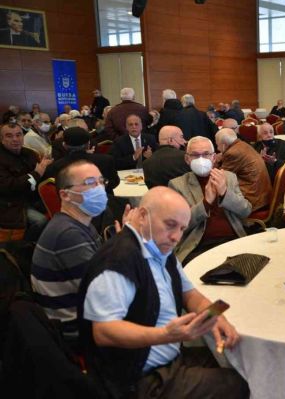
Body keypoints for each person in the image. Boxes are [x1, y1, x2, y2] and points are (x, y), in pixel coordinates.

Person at [77, 187, 250, 398]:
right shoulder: (119, 260)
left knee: (241, 364)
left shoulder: (159, 249)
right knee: (239, 384)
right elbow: (104, 331)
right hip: (138, 379)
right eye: (170, 225)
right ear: (143, 216)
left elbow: (190, 295)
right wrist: (164, 335)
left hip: (169, 357)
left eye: (182, 229)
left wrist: (215, 315)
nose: (176, 237)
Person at [31, 161, 109, 342]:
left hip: (87, 318)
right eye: (90, 183)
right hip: (77, 333)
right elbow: (105, 292)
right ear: (65, 195)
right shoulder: (68, 235)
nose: (99, 188)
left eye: (101, 181)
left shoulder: (79, 223)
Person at [168, 137, 252, 264]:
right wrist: (205, 203)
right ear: (187, 159)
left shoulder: (228, 177)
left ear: (214, 158)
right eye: (195, 155)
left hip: (232, 240)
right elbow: (180, 226)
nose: (201, 159)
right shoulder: (178, 185)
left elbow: (246, 211)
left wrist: (225, 193)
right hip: (199, 246)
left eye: (206, 154)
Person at [0, 123, 52, 239]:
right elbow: (9, 186)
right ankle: (25, 244)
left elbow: (41, 175)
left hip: (32, 197)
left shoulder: (30, 153)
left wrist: (48, 167)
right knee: (41, 221)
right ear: (2, 140)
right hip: (11, 203)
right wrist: (36, 173)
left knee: (58, 212)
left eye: (18, 135)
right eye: (9, 136)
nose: (15, 139)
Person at [42, 127, 120, 197]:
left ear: (64, 145)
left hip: (72, 206)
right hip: (105, 204)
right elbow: (114, 183)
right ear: (88, 144)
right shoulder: (106, 160)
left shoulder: (56, 166)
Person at [216, 128, 271, 211]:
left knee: (217, 196)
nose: (217, 148)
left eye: (217, 145)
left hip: (253, 199)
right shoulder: (242, 144)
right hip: (263, 195)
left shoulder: (232, 153)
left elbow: (221, 176)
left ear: (224, 145)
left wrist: (214, 163)